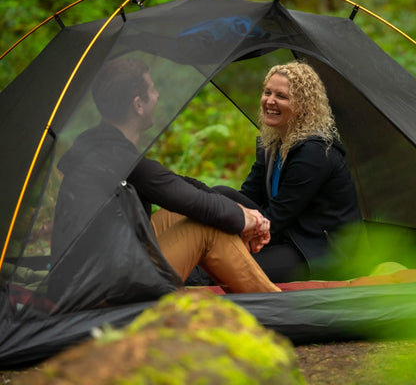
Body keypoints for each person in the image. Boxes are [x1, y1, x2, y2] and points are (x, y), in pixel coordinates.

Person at [50, 57, 279, 306]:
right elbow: (192, 200)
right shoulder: (117, 157)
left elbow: (178, 186)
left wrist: (241, 213)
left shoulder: (102, 144)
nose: (158, 96)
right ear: (138, 104)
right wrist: (249, 220)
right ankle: (277, 306)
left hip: (101, 269)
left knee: (183, 215)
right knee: (206, 227)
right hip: (101, 294)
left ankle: (260, 292)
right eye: (152, 89)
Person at [215, 61, 362, 282]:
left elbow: (278, 217)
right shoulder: (273, 145)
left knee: (226, 264)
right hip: (287, 234)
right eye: (267, 92)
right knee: (220, 194)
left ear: (303, 105)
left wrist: (237, 238)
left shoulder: (314, 153)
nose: (270, 101)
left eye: (281, 96)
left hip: (319, 251)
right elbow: (247, 197)